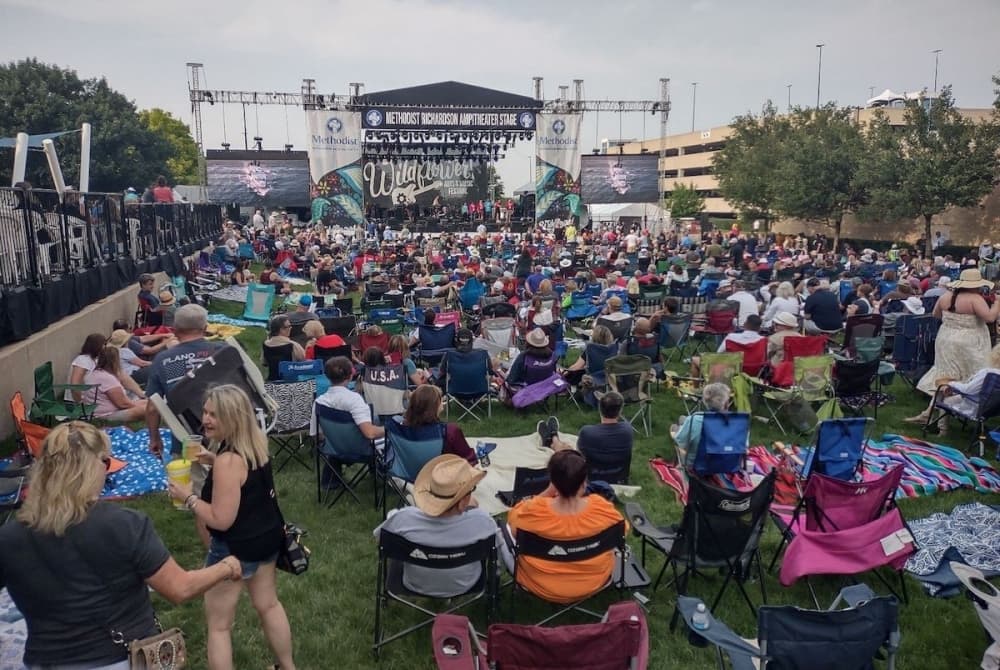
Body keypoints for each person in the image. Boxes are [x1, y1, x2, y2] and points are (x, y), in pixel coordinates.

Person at [0, 422, 241, 670]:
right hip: (118, 659)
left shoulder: (8, 538)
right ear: (91, 467)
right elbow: (180, 588)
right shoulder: (123, 524)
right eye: (105, 462)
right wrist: (226, 566)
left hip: (46, 661)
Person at [167, 385, 296, 670]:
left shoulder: (228, 461)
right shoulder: (256, 445)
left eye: (215, 414)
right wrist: (211, 459)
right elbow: (244, 478)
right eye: (206, 411)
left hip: (234, 551)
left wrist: (186, 497)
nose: (206, 419)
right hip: (268, 540)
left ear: (233, 418)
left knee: (219, 627)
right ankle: (287, 667)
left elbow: (220, 519)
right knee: (269, 605)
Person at [506, 449, 627, 604]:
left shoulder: (532, 511)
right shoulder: (602, 508)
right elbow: (622, 531)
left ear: (552, 481)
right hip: (594, 581)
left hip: (540, 584)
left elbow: (512, 522)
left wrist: (548, 492)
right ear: (584, 483)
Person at [373, 454, 500, 597]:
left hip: (415, 583)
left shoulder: (403, 519)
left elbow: (380, 540)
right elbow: (496, 550)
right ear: (463, 501)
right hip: (466, 584)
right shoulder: (482, 522)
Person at [906, 269, 1000, 424]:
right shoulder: (975, 299)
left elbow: (936, 315)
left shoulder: (945, 297)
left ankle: (935, 418)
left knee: (945, 377)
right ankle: (953, 414)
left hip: (946, 339)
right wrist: (997, 304)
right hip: (970, 342)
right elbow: (990, 318)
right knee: (971, 376)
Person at [146, 304, 225, 457]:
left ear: (174, 329)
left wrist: (154, 438)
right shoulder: (223, 351)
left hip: (187, 439)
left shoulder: (163, 360)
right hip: (226, 436)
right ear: (205, 327)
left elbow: (152, 408)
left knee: (189, 478)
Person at [312, 357, 384, 489]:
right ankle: (382, 474)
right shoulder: (354, 400)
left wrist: (337, 438)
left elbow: (316, 435)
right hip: (361, 451)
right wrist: (389, 429)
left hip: (334, 450)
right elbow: (370, 433)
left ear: (327, 376)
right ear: (350, 375)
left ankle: (331, 481)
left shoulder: (319, 402)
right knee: (387, 433)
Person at [550, 392, 633, 475]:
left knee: (564, 450)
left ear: (600, 409)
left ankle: (553, 435)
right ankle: (554, 437)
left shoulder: (587, 432)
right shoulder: (627, 429)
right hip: (619, 476)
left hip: (591, 478)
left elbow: (579, 456)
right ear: (620, 411)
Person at [402, 385, 476, 464]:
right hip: (442, 473)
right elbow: (469, 459)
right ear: (435, 406)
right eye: (440, 400)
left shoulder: (403, 430)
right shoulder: (450, 431)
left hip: (414, 473)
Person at [671, 382, 735, 467]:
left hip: (695, 464)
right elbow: (739, 448)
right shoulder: (736, 423)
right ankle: (682, 423)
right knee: (683, 419)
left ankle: (678, 428)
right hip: (724, 464)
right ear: (726, 404)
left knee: (675, 429)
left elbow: (681, 443)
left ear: (706, 401)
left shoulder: (695, 419)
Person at [85, 346, 147, 423]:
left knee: (149, 403)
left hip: (96, 412)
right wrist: (140, 406)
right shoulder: (107, 378)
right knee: (145, 409)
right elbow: (123, 404)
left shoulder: (94, 374)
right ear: (115, 361)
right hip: (106, 415)